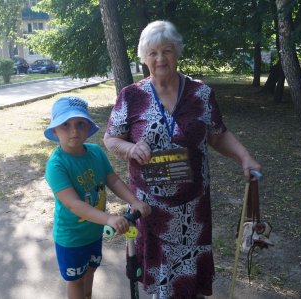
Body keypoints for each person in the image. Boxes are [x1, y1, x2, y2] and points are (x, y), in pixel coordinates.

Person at [104, 20, 261, 299]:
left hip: (193, 208)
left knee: (190, 279)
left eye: (167, 51)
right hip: (150, 208)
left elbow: (217, 134)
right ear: (144, 58)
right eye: (153, 52)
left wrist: (244, 156)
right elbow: (111, 138)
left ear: (177, 52)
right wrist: (129, 149)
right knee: (160, 279)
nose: (161, 58)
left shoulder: (200, 93)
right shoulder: (131, 96)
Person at [44, 96, 151, 299]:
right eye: (65, 125)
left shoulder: (95, 152)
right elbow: (74, 204)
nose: (74, 131)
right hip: (72, 237)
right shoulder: (56, 165)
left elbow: (114, 181)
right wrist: (109, 218)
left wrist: (134, 201)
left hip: (94, 231)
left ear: (88, 127)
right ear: (55, 131)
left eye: (80, 124)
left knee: (91, 271)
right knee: (76, 280)